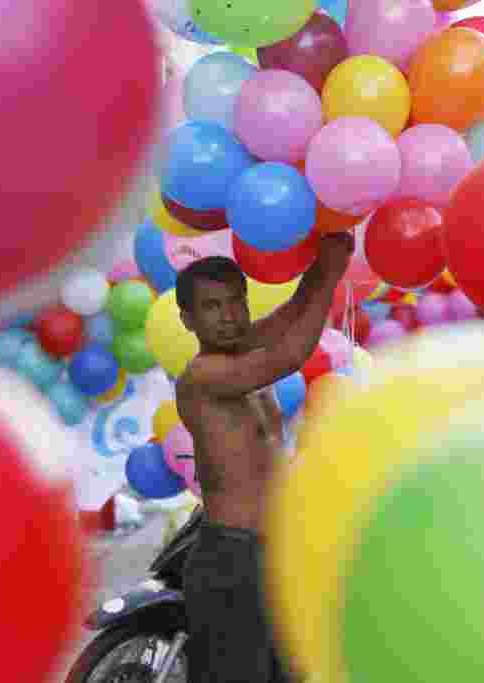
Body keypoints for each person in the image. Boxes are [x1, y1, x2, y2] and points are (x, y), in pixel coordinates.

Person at [174, 232, 355, 683]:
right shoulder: (204, 375)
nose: (229, 316)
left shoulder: (242, 345)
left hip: (274, 552)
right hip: (232, 558)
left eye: (237, 302)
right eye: (213, 307)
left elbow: (296, 308)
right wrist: (331, 270)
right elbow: (291, 355)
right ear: (187, 320)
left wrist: (327, 256)